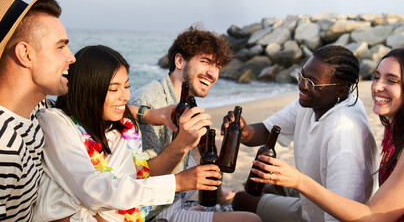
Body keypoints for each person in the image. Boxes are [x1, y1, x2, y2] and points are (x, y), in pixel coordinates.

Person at [33, 45, 261, 222]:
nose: (124, 96)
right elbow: (95, 190)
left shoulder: (121, 128)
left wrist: (182, 142)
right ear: (88, 89)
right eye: (114, 89)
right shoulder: (56, 123)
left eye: (127, 86)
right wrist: (177, 182)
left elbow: (141, 178)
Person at [249, 47, 404, 221]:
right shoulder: (396, 126)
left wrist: (299, 181)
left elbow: (373, 216)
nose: (377, 87)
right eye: (376, 77)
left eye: (391, 80)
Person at [228, 45, 378, 221]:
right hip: (310, 200)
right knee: (251, 191)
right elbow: (266, 131)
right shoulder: (316, 101)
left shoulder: (344, 137)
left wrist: (297, 182)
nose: (301, 85)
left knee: (244, 201)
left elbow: (342, 215)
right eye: (301, 75)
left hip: (322, 216)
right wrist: (242, 131)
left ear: (341, 90)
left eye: (311, 82)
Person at [0, 0, 76, 221]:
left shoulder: (33, 109)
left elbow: (85, 101)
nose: (71, 57)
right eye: (60, 47)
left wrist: (147, 114)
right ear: (25, 54)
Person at [130, 26, 241, 221]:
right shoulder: (149, 103)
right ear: (180, 61)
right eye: (206, 62)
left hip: (176, 190)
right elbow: (144, 179)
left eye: (218, 67)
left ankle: (219, 197)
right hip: (155, 211)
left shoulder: (185, 98)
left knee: (212, 144)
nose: (213, 74)